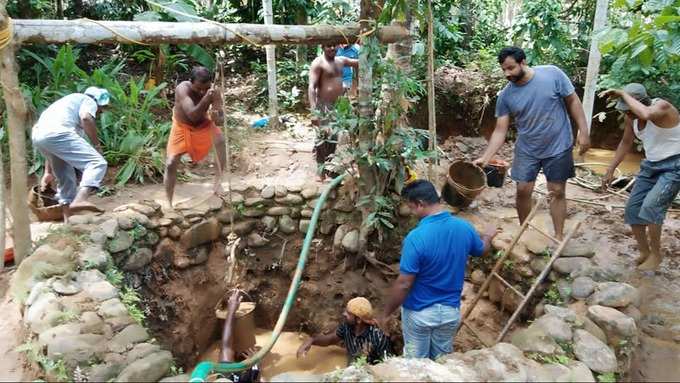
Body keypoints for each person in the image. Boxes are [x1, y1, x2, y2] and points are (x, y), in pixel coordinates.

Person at [474, 46, 590, 240]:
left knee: (557, 191)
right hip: (527, 148)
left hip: (558, 144)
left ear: (523, 62)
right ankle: (524, 232)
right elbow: (500, 129)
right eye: (503, 69)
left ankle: (559, 236)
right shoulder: (506, 96)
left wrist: (583, 131)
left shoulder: (552, 74)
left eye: (510, 68)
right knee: (522, 190)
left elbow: (573, 101)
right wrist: (486, 157)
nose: (507, 74)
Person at [376, 180, 497, 360]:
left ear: (421, 204)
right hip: (450, 313)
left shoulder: (416, 238)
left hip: (419, 314)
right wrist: (487, 236)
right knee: (441, 362)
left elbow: (403, 284)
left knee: (415, 364)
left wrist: (385, 314)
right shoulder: (463, 227)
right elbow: (481, 250)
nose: (411, 212)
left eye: (411, 207)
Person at [600, 83, 680, 271]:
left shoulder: (662, 107)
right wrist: (610, 169)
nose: (627, 115)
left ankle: (656, 255)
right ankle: (644, 251)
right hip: (650, 166)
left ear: (639, 102)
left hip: (674, 165)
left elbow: (645, 114)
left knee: (651, 207)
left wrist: (620, 92)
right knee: (633, 209)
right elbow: (626, 142)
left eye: (629, 110)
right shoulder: (632, 117)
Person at [32, 87, 110, 218]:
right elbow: (86, 118)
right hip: (57, 133)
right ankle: (81, 199)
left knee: (65, 178)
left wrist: (48, 173)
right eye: (101, 108)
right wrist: (97, 146)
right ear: (97, 102)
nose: (100, 112)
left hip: (39, 135)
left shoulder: (67, 105)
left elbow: (54, 144)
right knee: (97, 162)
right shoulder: (88, 100)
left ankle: (68, 220)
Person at [165, 66, 226, 208]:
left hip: (203, 124)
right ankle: (169, 202)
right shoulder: (182, 89)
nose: (202, 91)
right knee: (171, 162)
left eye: (206, 88)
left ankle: (217, 184)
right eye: (198, 89)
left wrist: (218, 116)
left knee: (221, 141)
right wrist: (206, 99)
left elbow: (220, 121)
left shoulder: (214, 92)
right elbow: (192, 115)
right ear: (190, 81)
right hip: (182, 126)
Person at [308, 44, 358, 179]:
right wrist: (314, 111)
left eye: (334, 46)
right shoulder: (318, 63)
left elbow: (360, 63)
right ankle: (320, 170)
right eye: (328, 46)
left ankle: (328, 167)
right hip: (323, 107)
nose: (332, 48)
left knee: (334, 138)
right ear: (322, 47)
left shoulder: (341, 60)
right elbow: (312, 87)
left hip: (337, 106)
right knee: (322, 138)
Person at [297, 297, 392, 365]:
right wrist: (311, 340)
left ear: (358, 320)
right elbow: (330, 339)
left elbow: (387, 366)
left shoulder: (378, 338)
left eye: (348, 313)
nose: (344, 314)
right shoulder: (346, 327)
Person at [217, 290, 260, 382]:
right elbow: (226, 347)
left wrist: (231, 311)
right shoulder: (248, 379)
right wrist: (255, 364)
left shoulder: (225, 376)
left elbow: (226, 347)